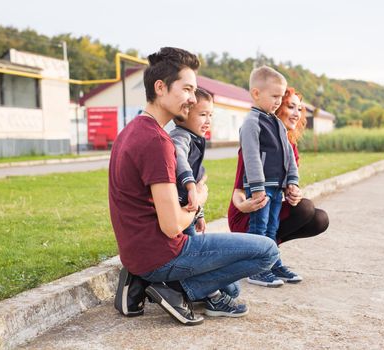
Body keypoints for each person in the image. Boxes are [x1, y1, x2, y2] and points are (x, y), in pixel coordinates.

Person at [109, 47, 279, 326]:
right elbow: (172, 226)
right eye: (187, 89)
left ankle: (149, 281)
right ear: (160, 87)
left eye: (194, 90)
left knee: (231, 288)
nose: (191, 98)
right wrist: (198, 198)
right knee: (267, 251)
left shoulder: (130, 130)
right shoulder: (156, 141)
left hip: (138, 255)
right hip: (162, 255)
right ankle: (175, 291)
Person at [228, 87, 329, 283]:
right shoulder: (257, 141)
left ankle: (271, 260)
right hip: (248, 212)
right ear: (277, 107)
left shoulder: (290, 146)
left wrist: (294, 191)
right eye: (291, 107)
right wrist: (243, 204)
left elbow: (288, 181)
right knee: (306, 209)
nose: (297, 114)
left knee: (319, 218)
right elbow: (239, 189)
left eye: (300, 109)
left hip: (270, 207)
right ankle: (256, 261)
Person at [239, 66, 299, 287]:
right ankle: (256, 270)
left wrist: (292, 181)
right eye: (274, 96)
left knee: (272, 228)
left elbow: (289, 155)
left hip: (277, 187)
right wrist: (257, 187)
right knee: (259, 228)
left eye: (281, 96)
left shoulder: (277, 123)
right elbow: (251, 156)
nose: (278, 101)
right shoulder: (251, 122)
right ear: (256, 93)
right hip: (261, 188)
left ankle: (272, 263)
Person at [169, 88, 213, 235]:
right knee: (186, 246)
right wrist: (191, 186)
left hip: (188, 207)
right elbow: (180, 157)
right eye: (203, 115)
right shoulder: (180, 136)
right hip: (178, 207)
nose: (208, 120)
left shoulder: (196, 139)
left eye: (210, 115)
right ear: (184, 114)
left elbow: (198, 175)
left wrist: (199, 214)